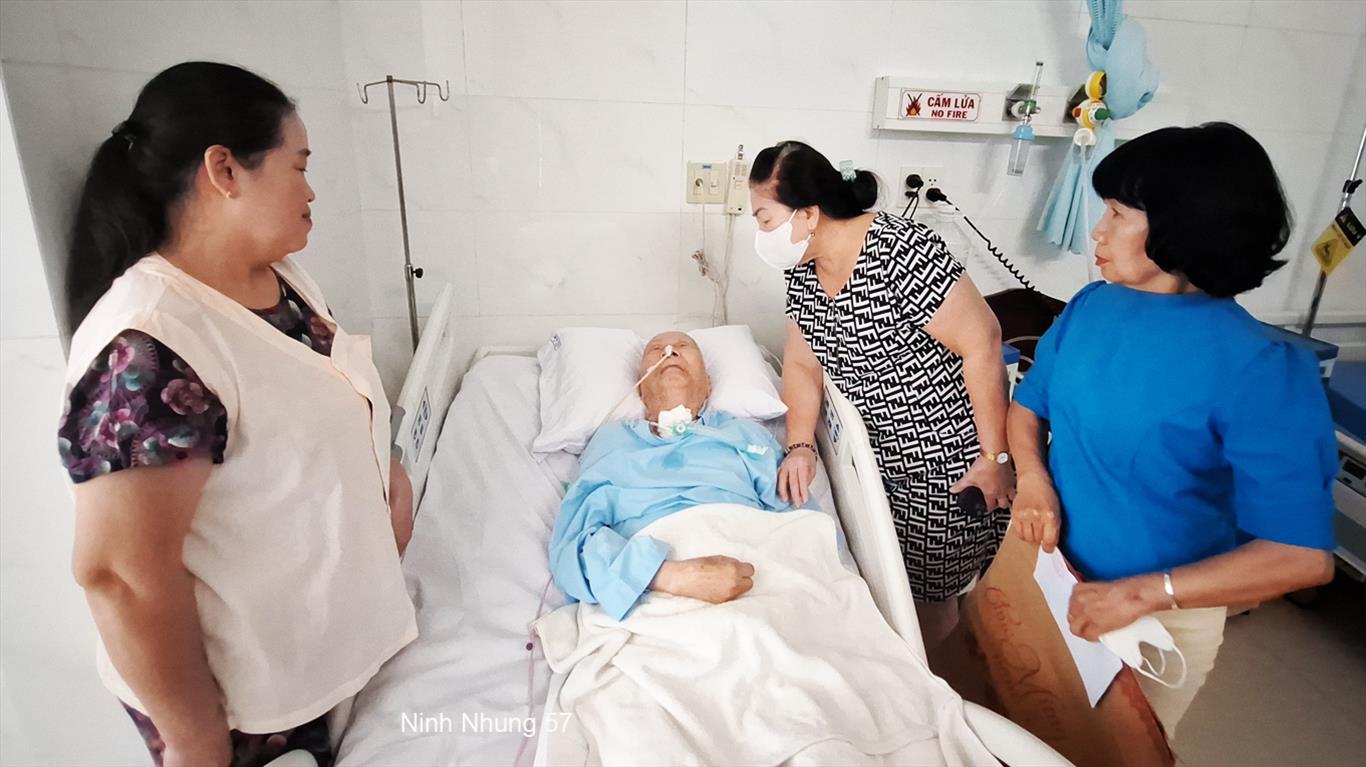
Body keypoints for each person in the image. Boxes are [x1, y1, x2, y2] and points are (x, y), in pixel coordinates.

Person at [58, 62, 416, 767]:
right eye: (299, 166)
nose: (311, 191)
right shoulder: (151, 345)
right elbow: (122, 576)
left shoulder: (282, 280)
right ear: (224, 170)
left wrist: (386, 481)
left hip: (315, 651)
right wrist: (196, 739)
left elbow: (312, 411)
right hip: (242, 706)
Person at [1007, 122, 1337, 735]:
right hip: (1050, 575)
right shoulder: (1092, 307)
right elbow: (1029, 407)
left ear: (1182, 224)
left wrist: (1142, 594)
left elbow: (1300, 556)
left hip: (1152, 619)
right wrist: (1032, 479)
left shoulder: (1262, 368)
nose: (1097, 231)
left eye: (1116, 213)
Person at [748, 141, 1012, 649]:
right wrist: (800, 445)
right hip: (877, 463)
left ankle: (937, 684)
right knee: (891, 590)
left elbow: (983, 342)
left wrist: (994, 456)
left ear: (808, 214)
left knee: (931, 607)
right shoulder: (803, 270)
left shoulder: (900, 251)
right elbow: (802, 364)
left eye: (765, 219)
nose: (760, 234)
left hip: (945, 464)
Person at [549, 331, 791, 620]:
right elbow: (573, 547)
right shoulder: (611, 440)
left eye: (683, 346)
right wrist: (670, 576)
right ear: (641, 389)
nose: (670, 351)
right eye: (656, 349)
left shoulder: (744, 434)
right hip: (651, 591)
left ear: (708, 385)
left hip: (747, 573)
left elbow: (801, 525)